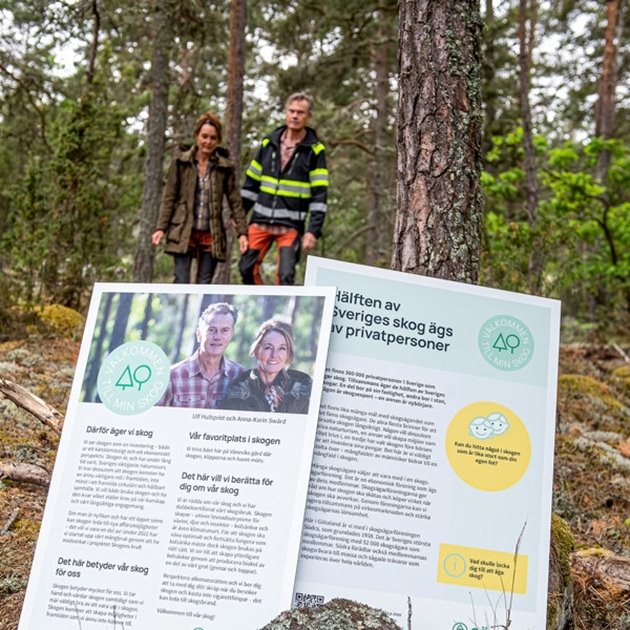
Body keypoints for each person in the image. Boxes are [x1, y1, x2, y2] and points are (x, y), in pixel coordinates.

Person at [239, 92, 329, 285]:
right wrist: (239, 223)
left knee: (286, 276)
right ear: (286, 113)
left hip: (290, 226)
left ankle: (278, 312)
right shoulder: (268, 143)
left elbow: (319, 196)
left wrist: (312, 231)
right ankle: (263, 304)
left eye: (300, 112)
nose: (295, 116)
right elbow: (250, 184)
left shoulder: (315, 151)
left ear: (308, 116)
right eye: (292, 111)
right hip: (260, 221)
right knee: (246, 269)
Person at [152, 112, 248, 283]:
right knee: (181, 280)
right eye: (204, 136)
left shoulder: (224, 167)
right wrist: (161, 228)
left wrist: (242, 233)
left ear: (218, 140)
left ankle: (201, 310)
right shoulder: (181, 163)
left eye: (213, 138)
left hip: (211, 233)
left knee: (204, 283)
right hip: (183, 230)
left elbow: (235, 201)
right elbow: (169, 198)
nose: (208, 142)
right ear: (197, 136)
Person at [158, 302, 243, 408]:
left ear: (231, 334)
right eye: (211, 330)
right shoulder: (171, 376)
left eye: (225, 330)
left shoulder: (240, 376)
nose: (217, 336)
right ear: (199, 334)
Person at [221, 319, 312, 414]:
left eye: (282, 348)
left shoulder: (303, 385)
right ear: (256, 351)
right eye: (268, 347)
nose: (274, 355)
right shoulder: (238, 388)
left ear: (288, 354)